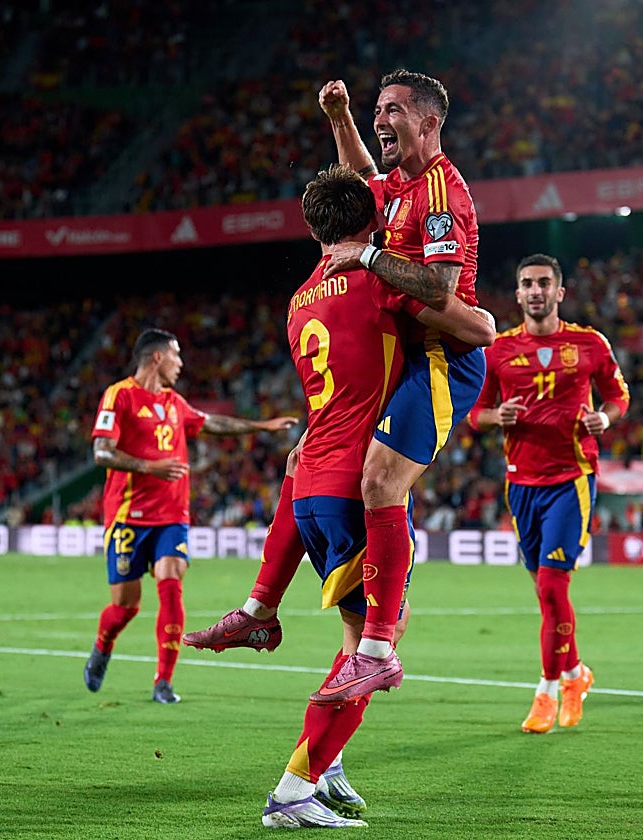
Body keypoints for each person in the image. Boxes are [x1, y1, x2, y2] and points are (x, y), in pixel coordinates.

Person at [184, 71, 484, 707]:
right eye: (380, 109)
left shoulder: (440, 193)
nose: (383, 118)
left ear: (430, 122)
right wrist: (341, 118)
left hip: (440, 354)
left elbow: (442, 295)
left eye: (394, 110)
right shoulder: (397, 185)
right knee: (303, 464)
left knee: (378, 481)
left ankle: (377, 649)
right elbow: (358, 191)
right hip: (405, 344)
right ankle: (259, 608)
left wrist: (371, 260)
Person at [256, 164, 493, 828]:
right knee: (376, 640)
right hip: (353, 487)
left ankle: (323, 767)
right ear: (373, 225)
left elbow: (363, 179)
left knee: (355, 635)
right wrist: (479, 318)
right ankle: (293, 789)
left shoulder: (304, 293)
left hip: (315, 481)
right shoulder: (376, 281)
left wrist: (337, 118)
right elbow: (474, 332)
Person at [84, 329, 298, 704]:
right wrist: (151, 467)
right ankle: (103, 646)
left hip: (171, 517)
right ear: (155, 358)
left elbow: (213, 423)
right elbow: (102, 452)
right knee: (125, 606)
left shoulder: (173, 402)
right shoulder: (119, 396)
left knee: (171, 582)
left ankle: (163, 682)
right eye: (176, 356)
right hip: (127, 517)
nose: (181, 364)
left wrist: (260, 426)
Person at [466, 253, 629, 734]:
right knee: (546, 593)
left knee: (555, 586)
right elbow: (474, 412)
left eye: (544, 283)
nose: (535, 291)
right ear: (517, 295)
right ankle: (577, 674)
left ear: (559, 292)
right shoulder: (496, 350)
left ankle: (547, 690)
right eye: (527, 284)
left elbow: (618, 395)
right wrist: (499, 417)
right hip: (521, 483)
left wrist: (606, 417)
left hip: (572, 478)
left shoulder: (589, 343)